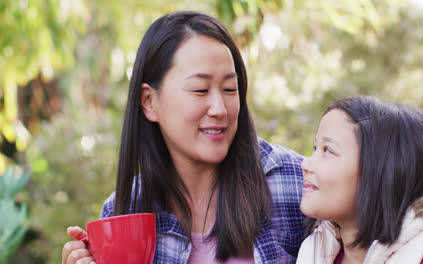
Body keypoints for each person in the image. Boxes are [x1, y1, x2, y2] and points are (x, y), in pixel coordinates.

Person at [61, 11, 305, 264]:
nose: (220, 108)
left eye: (230, 89)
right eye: (200, 90)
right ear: (149, 102)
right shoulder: (124, 210)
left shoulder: (296, 182)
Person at [296, 96, 423, 264]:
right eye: (315, 148)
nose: (305, 163)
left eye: (328, 150)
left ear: (381, 171)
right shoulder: (317, 250)